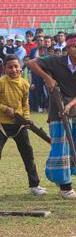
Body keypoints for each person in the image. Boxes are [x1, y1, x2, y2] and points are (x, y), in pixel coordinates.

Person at [28, 34, 76, 200]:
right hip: (57, 111)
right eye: (75, 47)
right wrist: (48, 78)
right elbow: (31, 63)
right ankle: (65, 187)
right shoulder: (56, 60)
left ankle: (63, 173)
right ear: (67, 48)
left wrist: (69, 105)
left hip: (75, 110)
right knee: (63, 150)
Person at [0, 55, 45, 196]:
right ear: (5, 68)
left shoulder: (24, 83)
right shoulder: (1, 82)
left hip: (19, 125)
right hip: (2, 125)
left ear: (20, 67)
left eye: (16, 66)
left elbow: (25, 104)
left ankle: (34, 185)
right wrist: (5, 109)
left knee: (28, 154)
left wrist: (26, 118)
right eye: (10, 67)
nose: (13, 70)